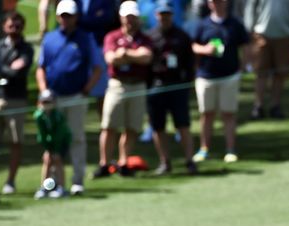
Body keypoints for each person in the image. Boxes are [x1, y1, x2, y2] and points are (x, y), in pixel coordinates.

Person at [36, 0, 102, 195]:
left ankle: (77, 181)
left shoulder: (85, 38)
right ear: (57, 17)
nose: (66, 19)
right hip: (52, 98)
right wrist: (43, 90)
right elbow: (41, 68)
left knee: (76, 138)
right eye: (63, 16)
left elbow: (97, 68)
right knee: (52, 142)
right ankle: (52, 184)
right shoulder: (49, 38)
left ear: (76, 17)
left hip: (76, 96)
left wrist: (87, 89)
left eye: (69, 16)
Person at [94, 0, 153, 178]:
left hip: (138, 84)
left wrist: (126, 54)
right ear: (121, 17)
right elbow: (111, 58)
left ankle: (123, 162)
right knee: (109, 126)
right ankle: (104, 163)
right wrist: (133, 55)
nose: (130, 20)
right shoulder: (112, 36)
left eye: (133, 16)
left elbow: (146, 57)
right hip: (117, 84)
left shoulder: (145, 38)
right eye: (127, 16)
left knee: (132, 127)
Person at [191, 0, 249, 164]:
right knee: (207, 114)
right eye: (213, 1)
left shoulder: (235, 24)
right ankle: (204, 149)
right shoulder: (202, 24)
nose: (217, 4)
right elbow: (193, 46)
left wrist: (243, 68)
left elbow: (245, 46)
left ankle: (230, 150)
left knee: (228, 114)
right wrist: (205, 50)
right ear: (209, 4)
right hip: (205, 76)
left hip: (229, 76)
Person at [147, 0, 197, 175]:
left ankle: (189, 160)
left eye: (167, 14)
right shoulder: (150, 37)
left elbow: (190, 64)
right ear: (156, 15)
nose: (164, 18)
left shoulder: (182, 36)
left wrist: (188, 84)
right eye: (161, 14)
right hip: (156, 87)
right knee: (158, 127)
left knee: (182, 124)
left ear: (172, 15)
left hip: (177, 86)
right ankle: (164, 162)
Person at [243, 0, 289, 120]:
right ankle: (258, 106)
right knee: (261, 73)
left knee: (280, 74)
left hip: (285, 35)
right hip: (261, 34)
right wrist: (249, 29)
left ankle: (275, 106)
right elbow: (251, 6)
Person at [0, 11, 32, 194]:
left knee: (15, 142)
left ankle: (10, 181)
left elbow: (17, 72)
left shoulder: (26, 48)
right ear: (4, 26)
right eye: (11, 24)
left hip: (17, 100)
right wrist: (1, 72)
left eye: (18, 25)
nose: (14, 28)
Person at [33, 89, 72, 199]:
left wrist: (55, 150)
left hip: (62, 141)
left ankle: (61, 188)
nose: (46, 105)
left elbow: (60, 134)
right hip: (50, 142)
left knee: (57, 160)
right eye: (44, 102)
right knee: (47, 159)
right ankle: (44, 187)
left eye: (48, 102)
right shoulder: (39, 116)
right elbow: (42, 135)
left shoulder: (58, 116)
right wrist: (48, 149)